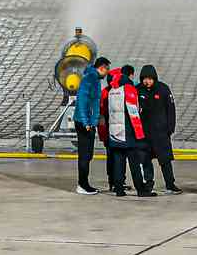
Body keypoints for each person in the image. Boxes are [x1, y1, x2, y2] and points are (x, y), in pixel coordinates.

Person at [103, 64, 153, 197]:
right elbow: (133, 113)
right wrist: (139, 134)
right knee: (134, 162)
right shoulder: (128, 89)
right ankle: (141, 190)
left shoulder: (112, 91)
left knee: (118, 162)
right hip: (127, 132)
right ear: (128, 76)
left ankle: (119, 189)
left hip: (115, 132)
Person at [139, 65, 181, 194]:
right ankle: (148, 183)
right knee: (145, 160)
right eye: (145, 79)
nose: (147, 82)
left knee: (165, 160)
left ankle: (170, 184)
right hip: (144, 133)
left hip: (161, 133)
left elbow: (171, 110)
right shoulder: (138, 90)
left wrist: (170, 128)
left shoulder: (163, 89)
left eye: (150, 79)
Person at [72, 53, 108, 195]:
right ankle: (82, 185)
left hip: (87, 122)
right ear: (101, 68)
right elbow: (82, 100)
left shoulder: (94, 79)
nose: (107, 73)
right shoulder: (90, 78)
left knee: (88, 155)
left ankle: (85, 183)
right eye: (106, 69)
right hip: (83, 122)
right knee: (85, 155)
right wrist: (87, 122)